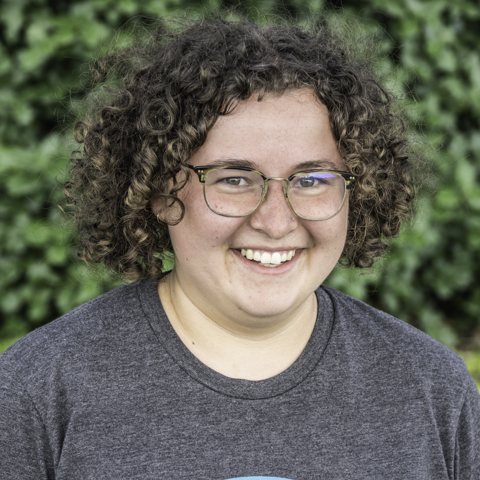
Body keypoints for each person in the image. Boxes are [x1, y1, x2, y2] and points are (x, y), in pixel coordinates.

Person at [0, 12, 479, 480]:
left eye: (311, 179)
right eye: (234, 179)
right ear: (161, 192)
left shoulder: (432, 388)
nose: (275, 221)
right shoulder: (38, 389)